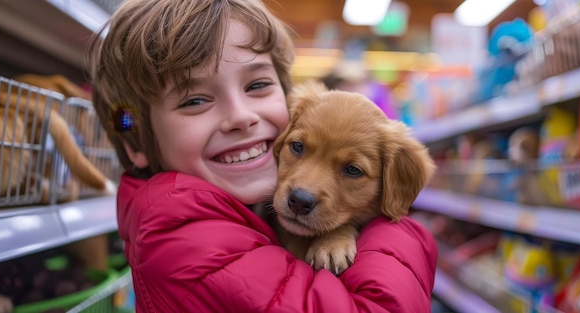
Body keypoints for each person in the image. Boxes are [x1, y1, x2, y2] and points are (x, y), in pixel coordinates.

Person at [87, 0, 438, 312]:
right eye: (194, 100)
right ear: (137, 143)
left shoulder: (237, 205)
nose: (241, 117)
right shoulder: (183, 238)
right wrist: (401, 233)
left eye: (256, 85)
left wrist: (342, 228)